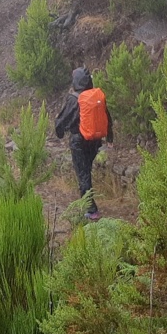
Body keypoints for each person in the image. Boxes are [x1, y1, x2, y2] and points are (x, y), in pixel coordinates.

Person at [55, 67, 113, 220]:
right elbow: (107, 117)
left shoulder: (74, 99)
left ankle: (91, 210)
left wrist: (59, 132)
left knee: (83, 175)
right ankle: (88, 204)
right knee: (86, 171)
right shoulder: (96, 96)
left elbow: (63, 119)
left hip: (79, 142)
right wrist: (110, 138)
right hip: (94, 142)